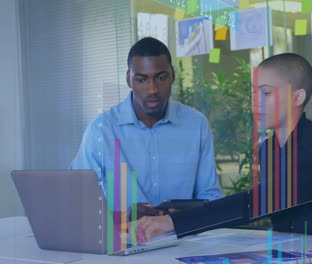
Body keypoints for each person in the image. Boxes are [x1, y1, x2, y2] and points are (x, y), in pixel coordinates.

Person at [134, 53, 312, 240]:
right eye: (254, 93)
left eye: (266, 92)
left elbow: (258, 202)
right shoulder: (268, 150)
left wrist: (175, 222)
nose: (256, 101)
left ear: (297, 98)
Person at [70, 37, 222, 206]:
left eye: (161, 78)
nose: (152, 89)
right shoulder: (101, 130)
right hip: (122, 231)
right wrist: (123, 217)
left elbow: (210, 198)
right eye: (141, 80)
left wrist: (176, 220)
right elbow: (78, 196)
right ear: (129, 79)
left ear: (172, 75)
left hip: (181, 231)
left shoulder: (196, 125)